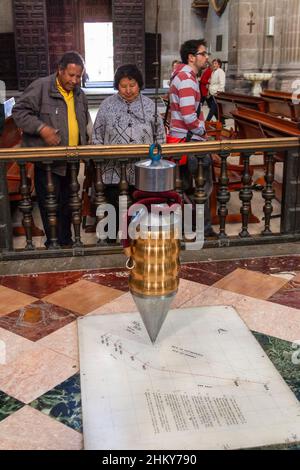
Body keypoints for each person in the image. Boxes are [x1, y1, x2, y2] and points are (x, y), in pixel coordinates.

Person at [12, 51, 90, 248]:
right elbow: (19, 112)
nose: (75, 80)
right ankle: (53, 242)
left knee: (68, 204)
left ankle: (66, 241)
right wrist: (42, 128)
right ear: (60, 71)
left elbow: (83, 121)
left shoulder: (80, 94)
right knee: (50, 204)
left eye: (78, 76)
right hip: (48, 162)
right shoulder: (41, 87)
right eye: (71, 75)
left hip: (71, 160)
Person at [92, 64, 165, 231]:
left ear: (139, 84)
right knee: (114, 208)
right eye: (123, 86)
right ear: (117, 86)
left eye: (132, 85)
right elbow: (97, 136)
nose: (128, 90)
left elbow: (160, 136)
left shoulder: (149, 106)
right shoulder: (106, 106)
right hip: (113, 170)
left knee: (141, 208)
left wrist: (156, 160)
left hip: (143, 169)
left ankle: (137, 241)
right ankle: (110, 241)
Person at [168, 38, 216, 238]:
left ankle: (188, 228)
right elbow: (189, 116)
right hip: (190, 142)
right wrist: (203, 130)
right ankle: (202, 229)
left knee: (186, 187)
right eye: (203, 54)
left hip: (181, 140)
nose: (206, 57)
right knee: (202, 187)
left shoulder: (179, 75)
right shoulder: (187, 79)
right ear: (191, 57)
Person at [206, 58, 226, 123]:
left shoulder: (220, 71)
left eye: (215, 63)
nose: (214, 65)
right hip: (212, 93)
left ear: (219, 64)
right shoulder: (213, 72)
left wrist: (219, 92)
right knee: (214, 109)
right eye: (213, 63)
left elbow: (222, 83)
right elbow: (212, 83)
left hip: (217, 94)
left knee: (212, 109)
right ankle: (222, 121)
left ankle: (207, 121)